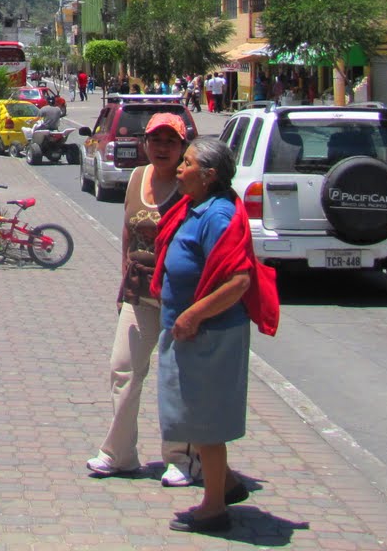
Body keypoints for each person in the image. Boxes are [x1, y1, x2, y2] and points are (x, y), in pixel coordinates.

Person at [151, 138, 278, 534]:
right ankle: (228, 484)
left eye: (186, 163)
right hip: (189, 331)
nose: (179, 168)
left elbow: (239, 281)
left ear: (208, 176)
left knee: (205, 425)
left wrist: (192, 316)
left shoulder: (218, 216)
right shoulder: (197, 206)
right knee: (190, 417)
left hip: (209, 335)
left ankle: (213, 508)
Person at [85, 114, 195, 485]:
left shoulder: (190, 185)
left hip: (179, 299)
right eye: (156, 140)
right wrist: (122, 283)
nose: (162, 147)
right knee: (123, 370)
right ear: (145, 143)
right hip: (138, 293)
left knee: (177, 378)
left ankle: (181, 457)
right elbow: (128, 234)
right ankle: (120, 454)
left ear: (182, 147)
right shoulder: (136, 178)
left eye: (171, 141)